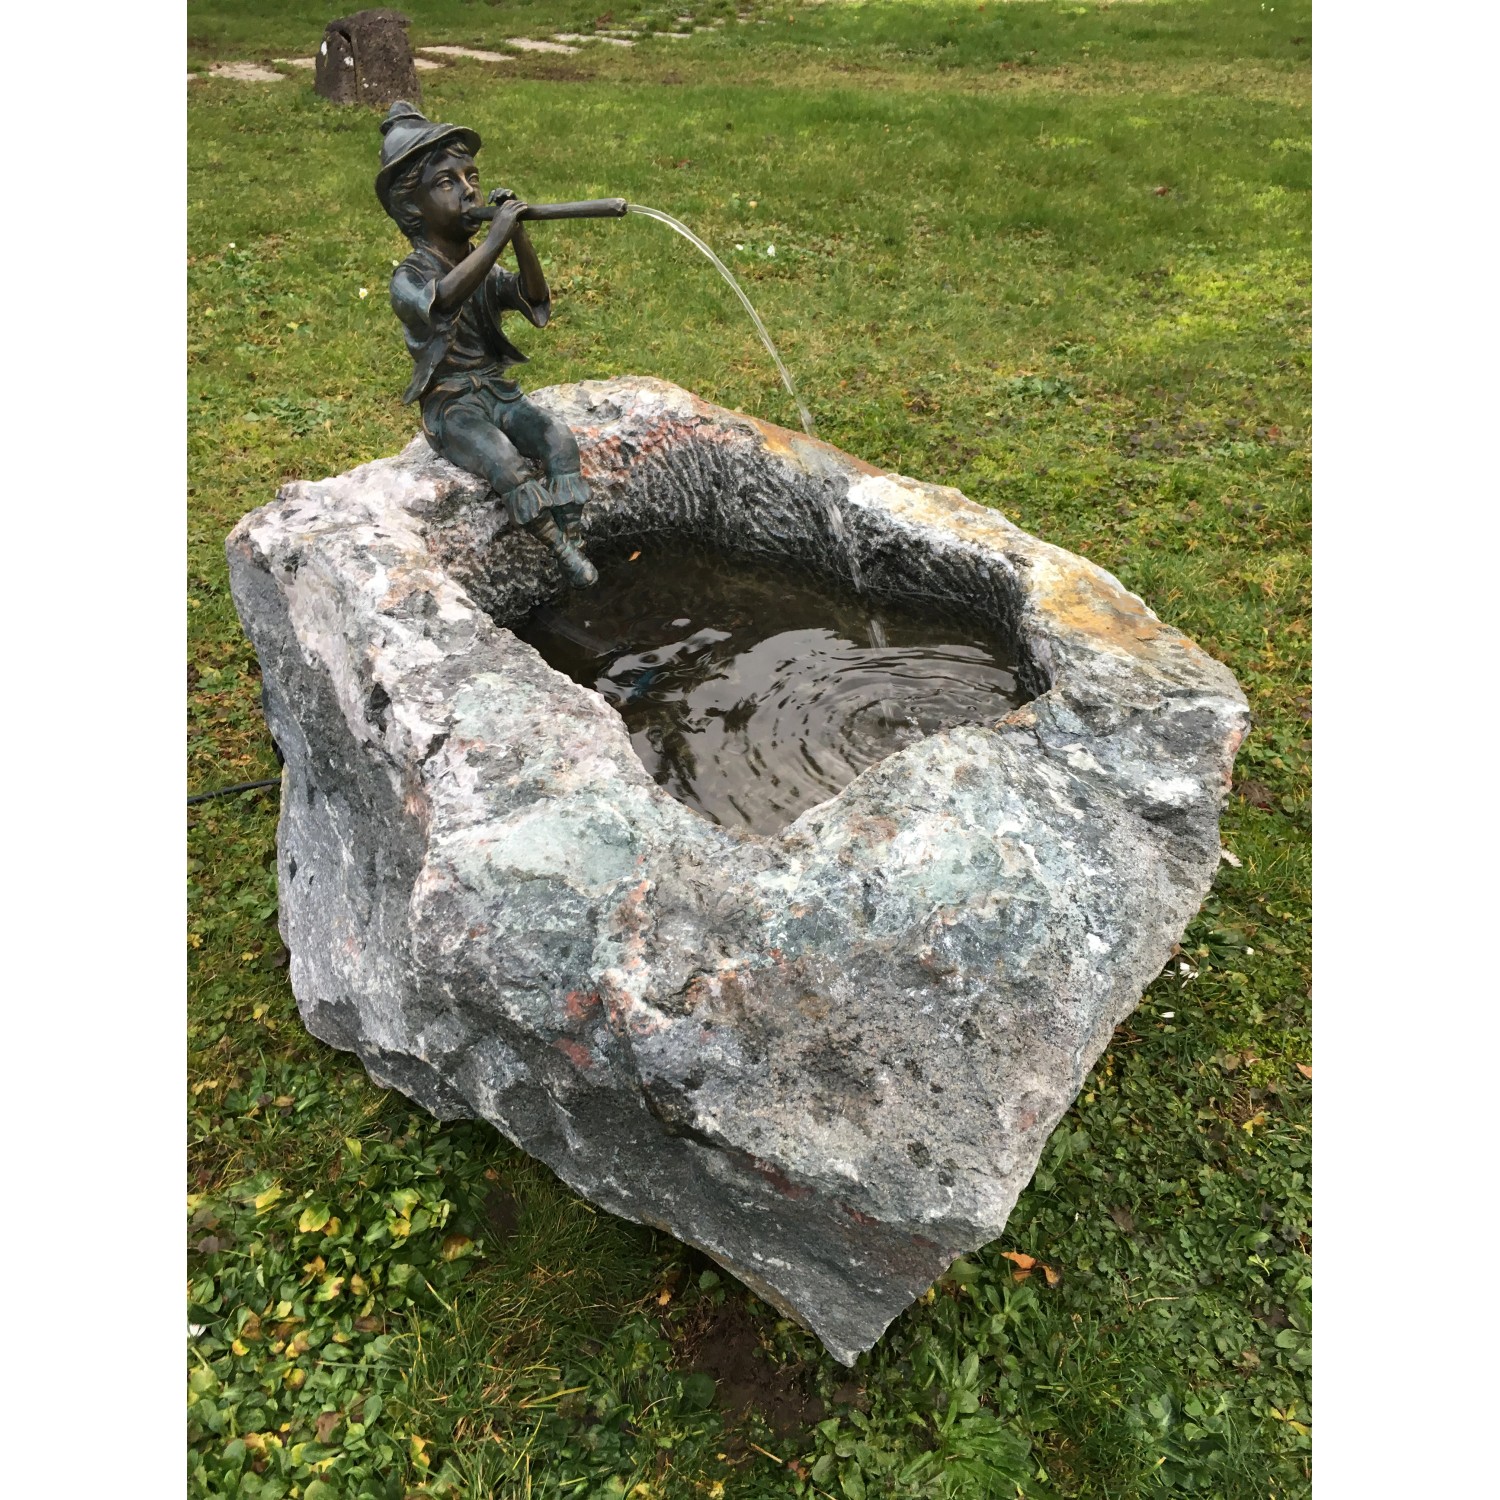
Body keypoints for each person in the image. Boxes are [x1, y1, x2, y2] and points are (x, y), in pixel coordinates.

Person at [375, 101, 597, 586]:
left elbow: (532, 297)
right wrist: (496, 237)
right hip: (453, 407)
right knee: (502, 457)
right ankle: (558, 548)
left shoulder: (486, 263)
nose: (468, 190)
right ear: (411, 206)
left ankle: (576, 533)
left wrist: (517, 238)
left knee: (557, 437)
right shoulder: (409, 278)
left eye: (470, 177)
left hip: (495, 391)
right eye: (446, 183)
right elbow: (445, 300)